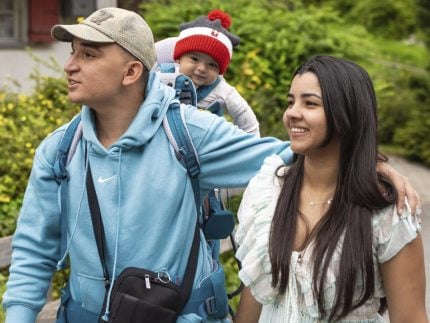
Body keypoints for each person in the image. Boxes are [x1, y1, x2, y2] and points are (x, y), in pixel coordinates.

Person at [1, 8, 419, 323]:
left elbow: (291, 152)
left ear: (131, 71)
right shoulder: (59, 151)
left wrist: (372, 165)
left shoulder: (188, 134)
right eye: (73, 53)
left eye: (88, 55)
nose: (69, 65)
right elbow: (35, 252)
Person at [234, 55, 427, 322]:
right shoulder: (269, 191)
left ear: (346, 113)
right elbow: (255, 296)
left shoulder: (386, 212)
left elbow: (410, 318)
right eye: (291, 102)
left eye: (310, 103)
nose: (292, 113)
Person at [154, 9, 260, 136]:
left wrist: (251, 144)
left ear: (220, 71)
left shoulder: (221, 90)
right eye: (194, 59)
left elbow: (244, 114)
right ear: (178, 59)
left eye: (212, 65)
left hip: (205, 146)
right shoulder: (164, 74)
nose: (202, 68)